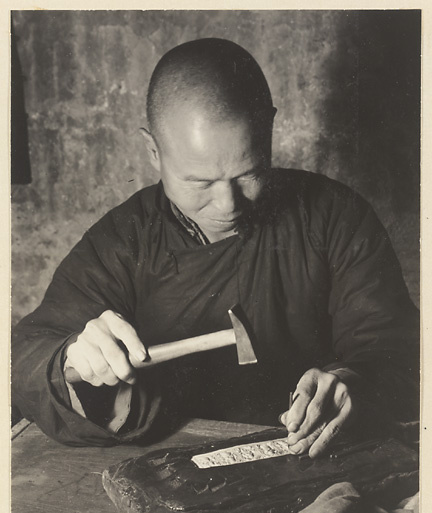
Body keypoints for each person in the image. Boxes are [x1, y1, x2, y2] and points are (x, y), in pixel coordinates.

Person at [12, 38, 419, 453]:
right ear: (154, 151)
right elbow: (22, 361)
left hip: (310, 454)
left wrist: (356, 383)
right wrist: (68, 359)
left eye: (249, 173)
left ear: (269, 128)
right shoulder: (122, 241)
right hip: (170, 465)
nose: (229, 205)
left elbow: (400, 353)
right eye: (200, 183)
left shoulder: (335, 217)